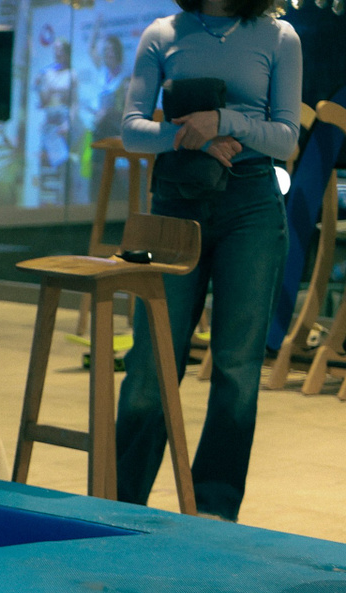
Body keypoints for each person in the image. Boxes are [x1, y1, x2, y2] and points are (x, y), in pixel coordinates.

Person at [114, 0, 301, 521]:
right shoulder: (162, 33)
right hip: (177, 201)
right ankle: (119, 503)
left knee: (237, 368)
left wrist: (223, 121)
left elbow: (287, 138)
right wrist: (189, 137)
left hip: (252, 203)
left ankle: (215, 510)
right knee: (151, 364)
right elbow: (131, 129)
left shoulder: (278, 37)